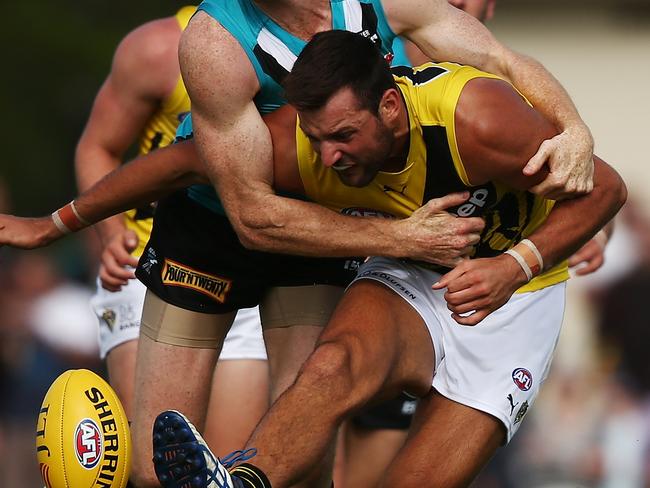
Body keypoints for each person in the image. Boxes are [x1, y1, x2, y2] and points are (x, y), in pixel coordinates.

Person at [151, 30, 626, 488]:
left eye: (342, 135)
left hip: (516, 298)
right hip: (413, 275)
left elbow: (605, 188)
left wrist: (518, 264)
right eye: (320, 139)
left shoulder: (479, 115)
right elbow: (191, 162)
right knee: (332, 366)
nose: (329, 156)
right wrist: (81, 215)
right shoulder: (318, 140)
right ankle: (243, 482)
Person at [72, 5, 269, 457]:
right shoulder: (157, 48)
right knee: (155, 463)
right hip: (146, 266)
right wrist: (110, 234)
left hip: (244, 272)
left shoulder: (314, 41)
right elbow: (98, 147)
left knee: (226, 464)